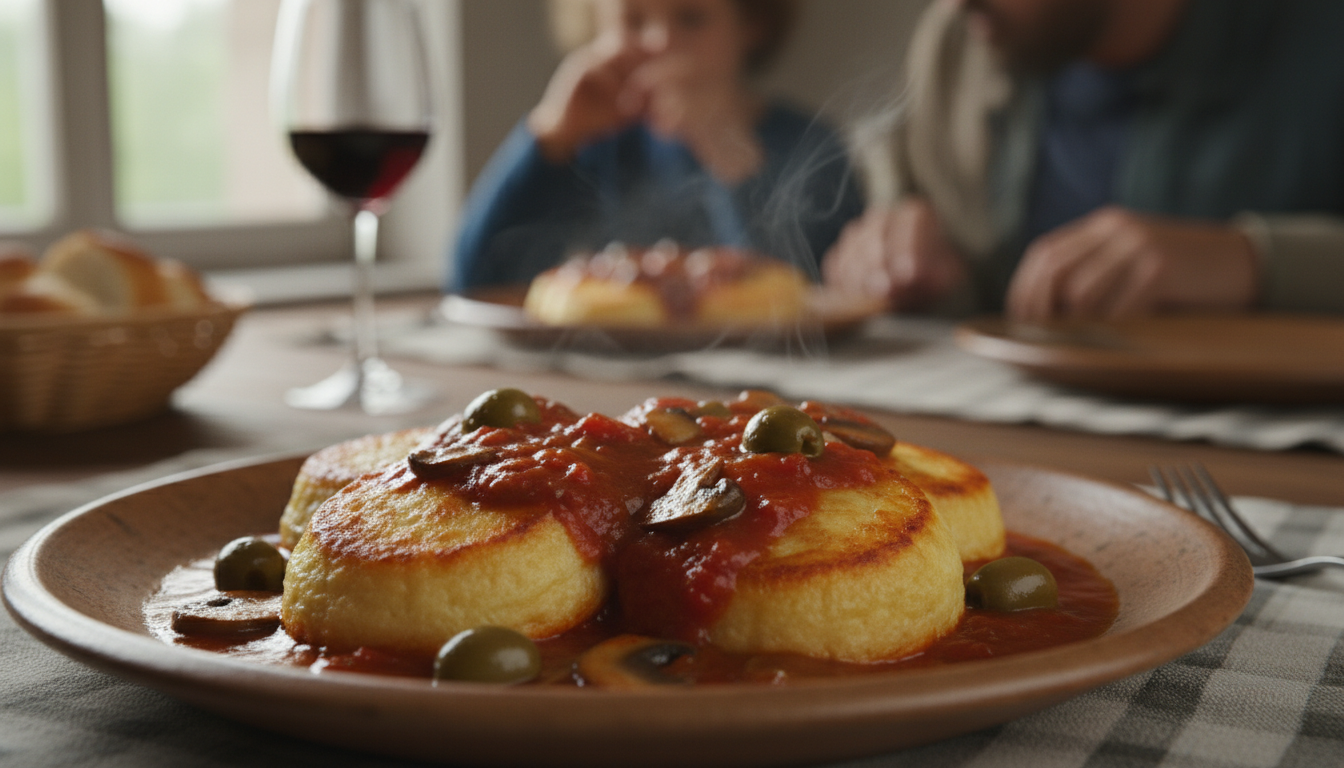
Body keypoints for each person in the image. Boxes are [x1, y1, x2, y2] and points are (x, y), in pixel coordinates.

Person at [825, 0, 1344, 319]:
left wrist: (1252, 262)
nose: (949, 5)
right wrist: (912, 267)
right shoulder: (964, 42)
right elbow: (930, 225)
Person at [447, 0, 863, 293]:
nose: (660, 41)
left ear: (752, 23)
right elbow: (475, 282)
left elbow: (804, 303)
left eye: (691, 18)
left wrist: (727, 151)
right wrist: (550, 137)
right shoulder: (600, 143)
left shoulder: (809, 146)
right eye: (633, 18)